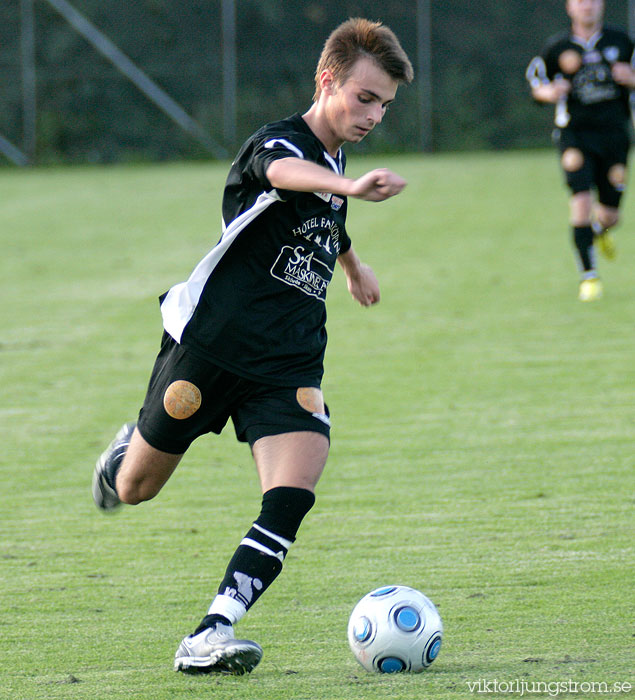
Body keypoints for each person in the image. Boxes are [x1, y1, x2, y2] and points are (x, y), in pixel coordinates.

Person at [92, 17, 413, 675]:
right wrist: (347, 186)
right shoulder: (277, 143)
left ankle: (211, 630)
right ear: (328, 81)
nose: (373, 114)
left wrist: (352, 265)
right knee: (134, 490)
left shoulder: (336, 159)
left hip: (289, 359)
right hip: (212, 345)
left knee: (294, 489)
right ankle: (126, 449)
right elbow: (285, 175)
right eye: (364, 97)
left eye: (383, 103)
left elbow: (323, 212)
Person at [526, 0, 635, 301]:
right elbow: (536, 80)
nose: (587, 6)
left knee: (611, 215)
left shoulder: (622, 42)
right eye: (580, 1)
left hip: (615, 136)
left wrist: (631, 78)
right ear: (569, 7)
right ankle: (589, 277)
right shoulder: (557, 47)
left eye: (593, 0)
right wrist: (549, 92)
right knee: (582, 199)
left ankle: (598, 230)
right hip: (574, 134)